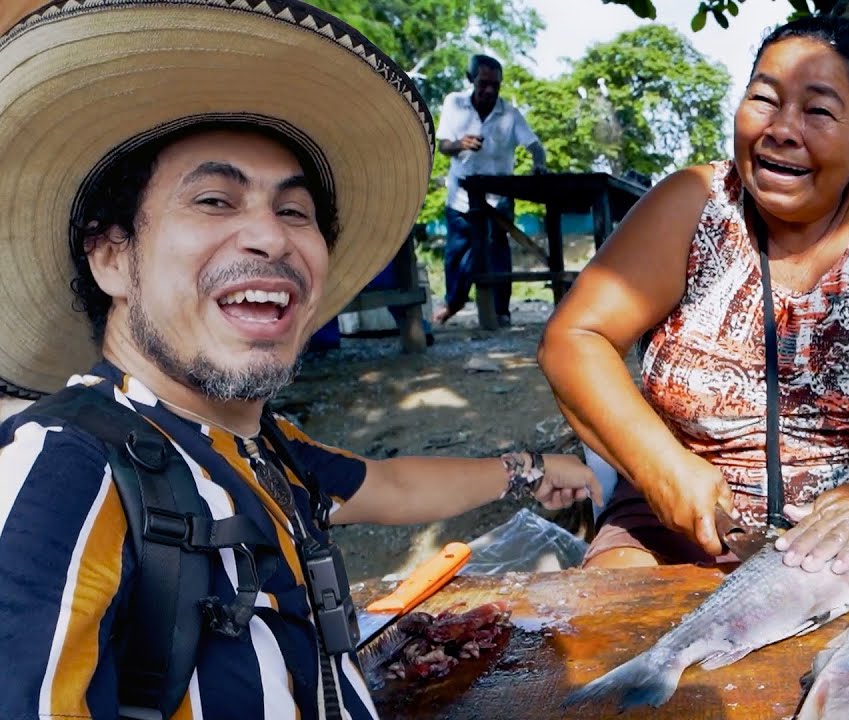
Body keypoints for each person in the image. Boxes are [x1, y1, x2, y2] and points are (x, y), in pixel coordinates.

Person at [0, 2, 599, 718]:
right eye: (215, 200)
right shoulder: (65, 468)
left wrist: (530, 469)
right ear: (109, 258)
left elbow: (392, 486)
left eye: (294, 211)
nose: (271, 237)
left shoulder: (263, 450)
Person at [538, 16, 849, 574]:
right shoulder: (694, 201)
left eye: (818, 110)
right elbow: (574, 339)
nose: (781, 129)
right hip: (692, 515)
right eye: (764, 99)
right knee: (618, 614)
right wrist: (660, 468)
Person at [434, 53, 548, 329]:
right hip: (461, 197)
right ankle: (453, 303)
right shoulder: (454, 103)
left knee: (498, 253)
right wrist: (460, 144)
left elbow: (535, 146)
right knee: (457, 254)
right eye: (483, 84)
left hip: (499, 198)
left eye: (494, 85)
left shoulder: (509, 113)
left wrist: (539, 164)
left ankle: (501, 311)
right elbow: (443, 145)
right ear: (470, 79)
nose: (489, 90)